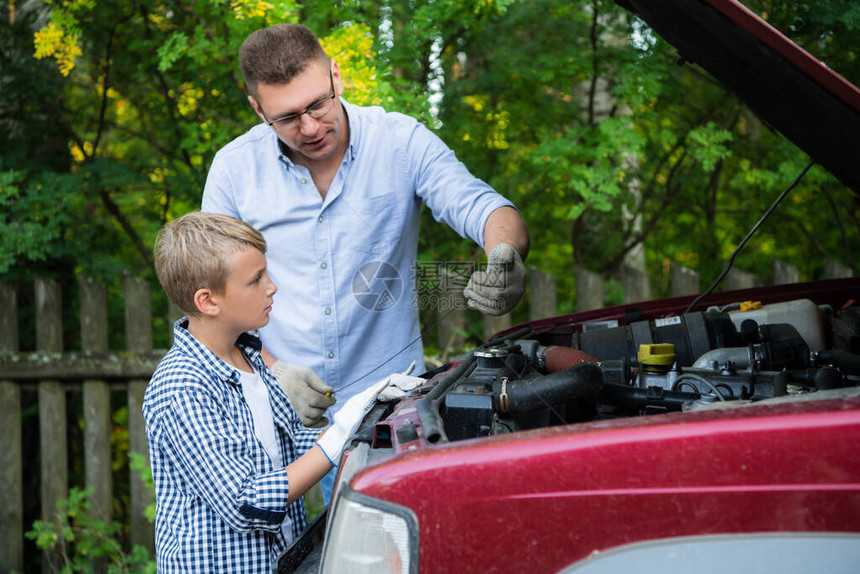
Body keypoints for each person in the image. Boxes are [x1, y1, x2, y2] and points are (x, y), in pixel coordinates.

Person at [202, 23, 529, 430]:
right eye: (286, 117)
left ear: (336, 76)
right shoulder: (233, 170)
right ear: (257, 109)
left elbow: (484, 207)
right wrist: (273, 372)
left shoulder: (400, 141)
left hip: (391, 412)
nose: (309, 127)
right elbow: (213, 300)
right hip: (277, 413)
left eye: (318, 104)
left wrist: (506, 254)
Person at [143, 212, 421, 572]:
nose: (272, 286)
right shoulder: (181, 387)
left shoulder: (250, 358)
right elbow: (247, 503)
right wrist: (336, 437)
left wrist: (363, 416)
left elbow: (288, 449)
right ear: (208, 301)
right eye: (255, 280)